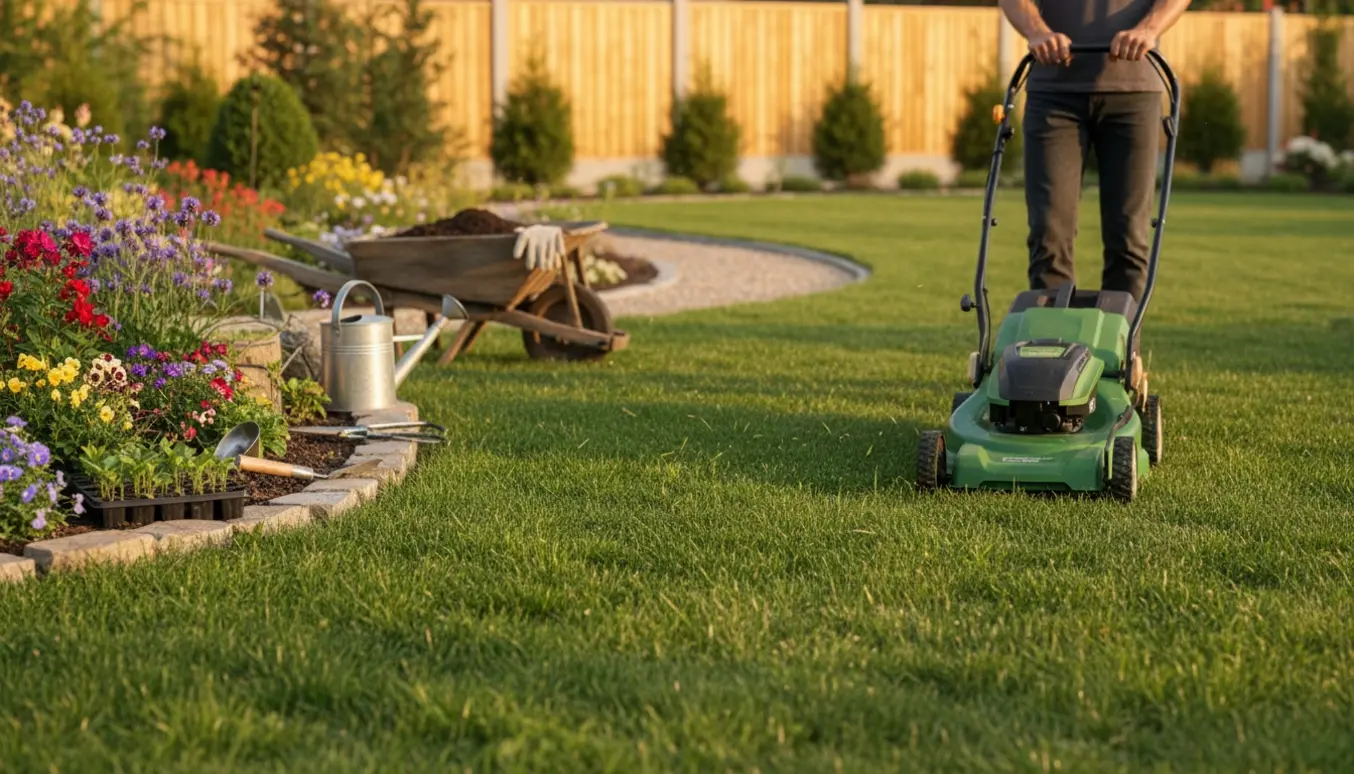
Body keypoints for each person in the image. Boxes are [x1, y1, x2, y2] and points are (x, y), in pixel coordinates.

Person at [998, 0, 1191, 307]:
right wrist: (1037, 32)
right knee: (1049, 235)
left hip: (1134, 93)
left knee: (1129, 237)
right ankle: (1053, 343)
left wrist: (1147, 30)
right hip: (1054, 92)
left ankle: (1122, 346)